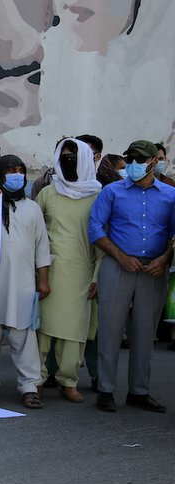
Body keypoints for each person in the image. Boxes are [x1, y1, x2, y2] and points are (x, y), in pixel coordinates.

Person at [90, 140, 175, 413]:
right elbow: (95, 228)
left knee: (144, 331)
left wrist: (165, 259)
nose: (135, 164)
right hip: (118, 264)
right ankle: (105, 388)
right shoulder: (112, 192)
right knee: (110, 328)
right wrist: (119, 256)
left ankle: (139, 391)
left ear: (153, 162)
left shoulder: (170, 195)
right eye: (131, 159)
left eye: (140, 159)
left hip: (153, 269)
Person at [36, 138, 101, 404]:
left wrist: (97, 276)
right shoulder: (47, 193)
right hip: (48, 272)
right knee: (42, 329)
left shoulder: (99, 195)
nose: (68, 160)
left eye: (73, 156)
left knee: (74, 331)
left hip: (81, 273)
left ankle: (68, 381)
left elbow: (103, 240)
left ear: (85, 159)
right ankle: (35, 380)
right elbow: (34, 232)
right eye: (64, 156)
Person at [0, 155, 52, 409]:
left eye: (20, 170)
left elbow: (42, 247)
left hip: (23, 284)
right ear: (0, 175)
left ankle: (29, 386)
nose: (16, 175)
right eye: (10, 171)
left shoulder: (32, 208)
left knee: (23, 337)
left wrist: (44, 280)